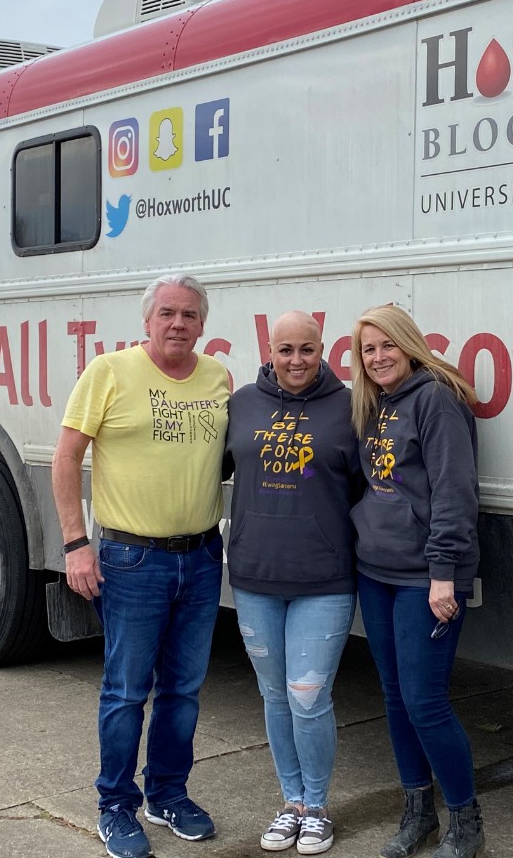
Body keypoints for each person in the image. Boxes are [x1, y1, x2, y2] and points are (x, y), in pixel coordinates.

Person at [52, 274, 229, 858]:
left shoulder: (218, 378)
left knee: (184, 688)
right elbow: (67, 456)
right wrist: (76, 543)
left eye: (189, 315)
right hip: (131, 559)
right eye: (167, 314)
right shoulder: (109, 372)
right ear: (147, 320)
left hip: (202, 557)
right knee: (127, 691)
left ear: (203, 325)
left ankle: (168, 794)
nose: (178, 324)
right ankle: (116, 807)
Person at [349, 305, 485, 858]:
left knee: (425, 701)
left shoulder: (435, 398)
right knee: (395, 697)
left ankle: (466, 821)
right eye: (367, 350)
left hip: (424, 579)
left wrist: (443, 574)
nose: (378, 357)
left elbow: (455, 493)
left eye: (386, 345)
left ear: (409, 345)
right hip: (374, 571)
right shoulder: (376, 404)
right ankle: (417, 812)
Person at [224, 311, 362, 855]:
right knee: (275, 696)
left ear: (322, 348)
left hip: (324, 580)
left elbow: (371, 486)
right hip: (256, 576)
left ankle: (318, 805)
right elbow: (208, 470)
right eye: (286, 350)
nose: (296, 361)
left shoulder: (350, 406)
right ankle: (291, 805)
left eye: (307, 349)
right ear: (270, 349)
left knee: (309, 697)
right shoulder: (242, 404)